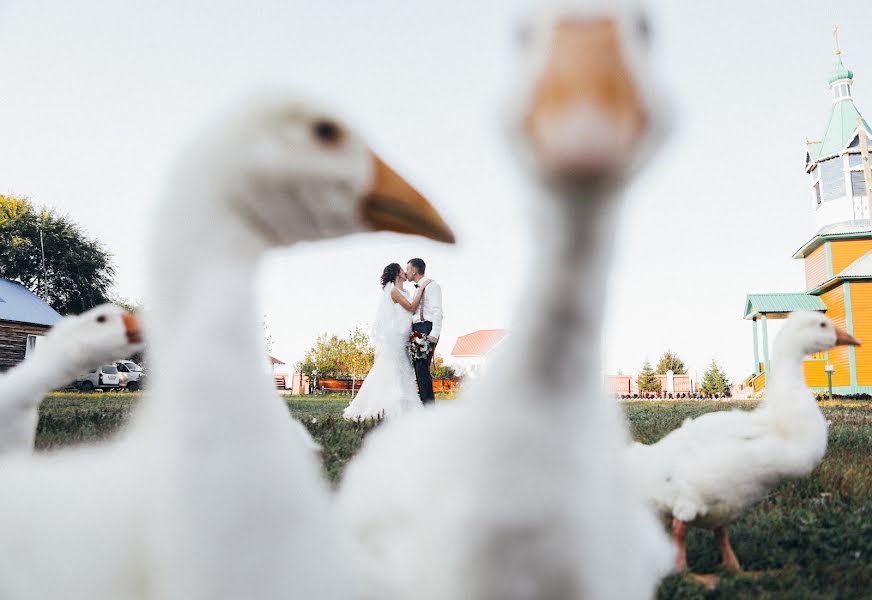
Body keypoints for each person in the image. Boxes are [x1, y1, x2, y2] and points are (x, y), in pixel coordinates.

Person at [343, 263, 430, 420]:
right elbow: (411, 307)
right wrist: (421, 289)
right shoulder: (393, 291)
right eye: (403, 269)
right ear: (397, 273)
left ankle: (405, 404)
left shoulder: (405, 291)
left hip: (405, 334)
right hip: (396, 336)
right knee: (394, 369)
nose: (405, 271)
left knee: (404, 369)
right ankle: (388, 405)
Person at [406, 257, 442, 405]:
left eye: (408, 269)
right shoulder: (417, 289)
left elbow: (437, 311)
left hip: (426, 328)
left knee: (421, 368)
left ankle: (428, 405)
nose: (406, 272)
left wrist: (434, 333)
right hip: (417, 328)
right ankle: (425, 402)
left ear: (414, 270)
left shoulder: (433, 286)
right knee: (419, 367)